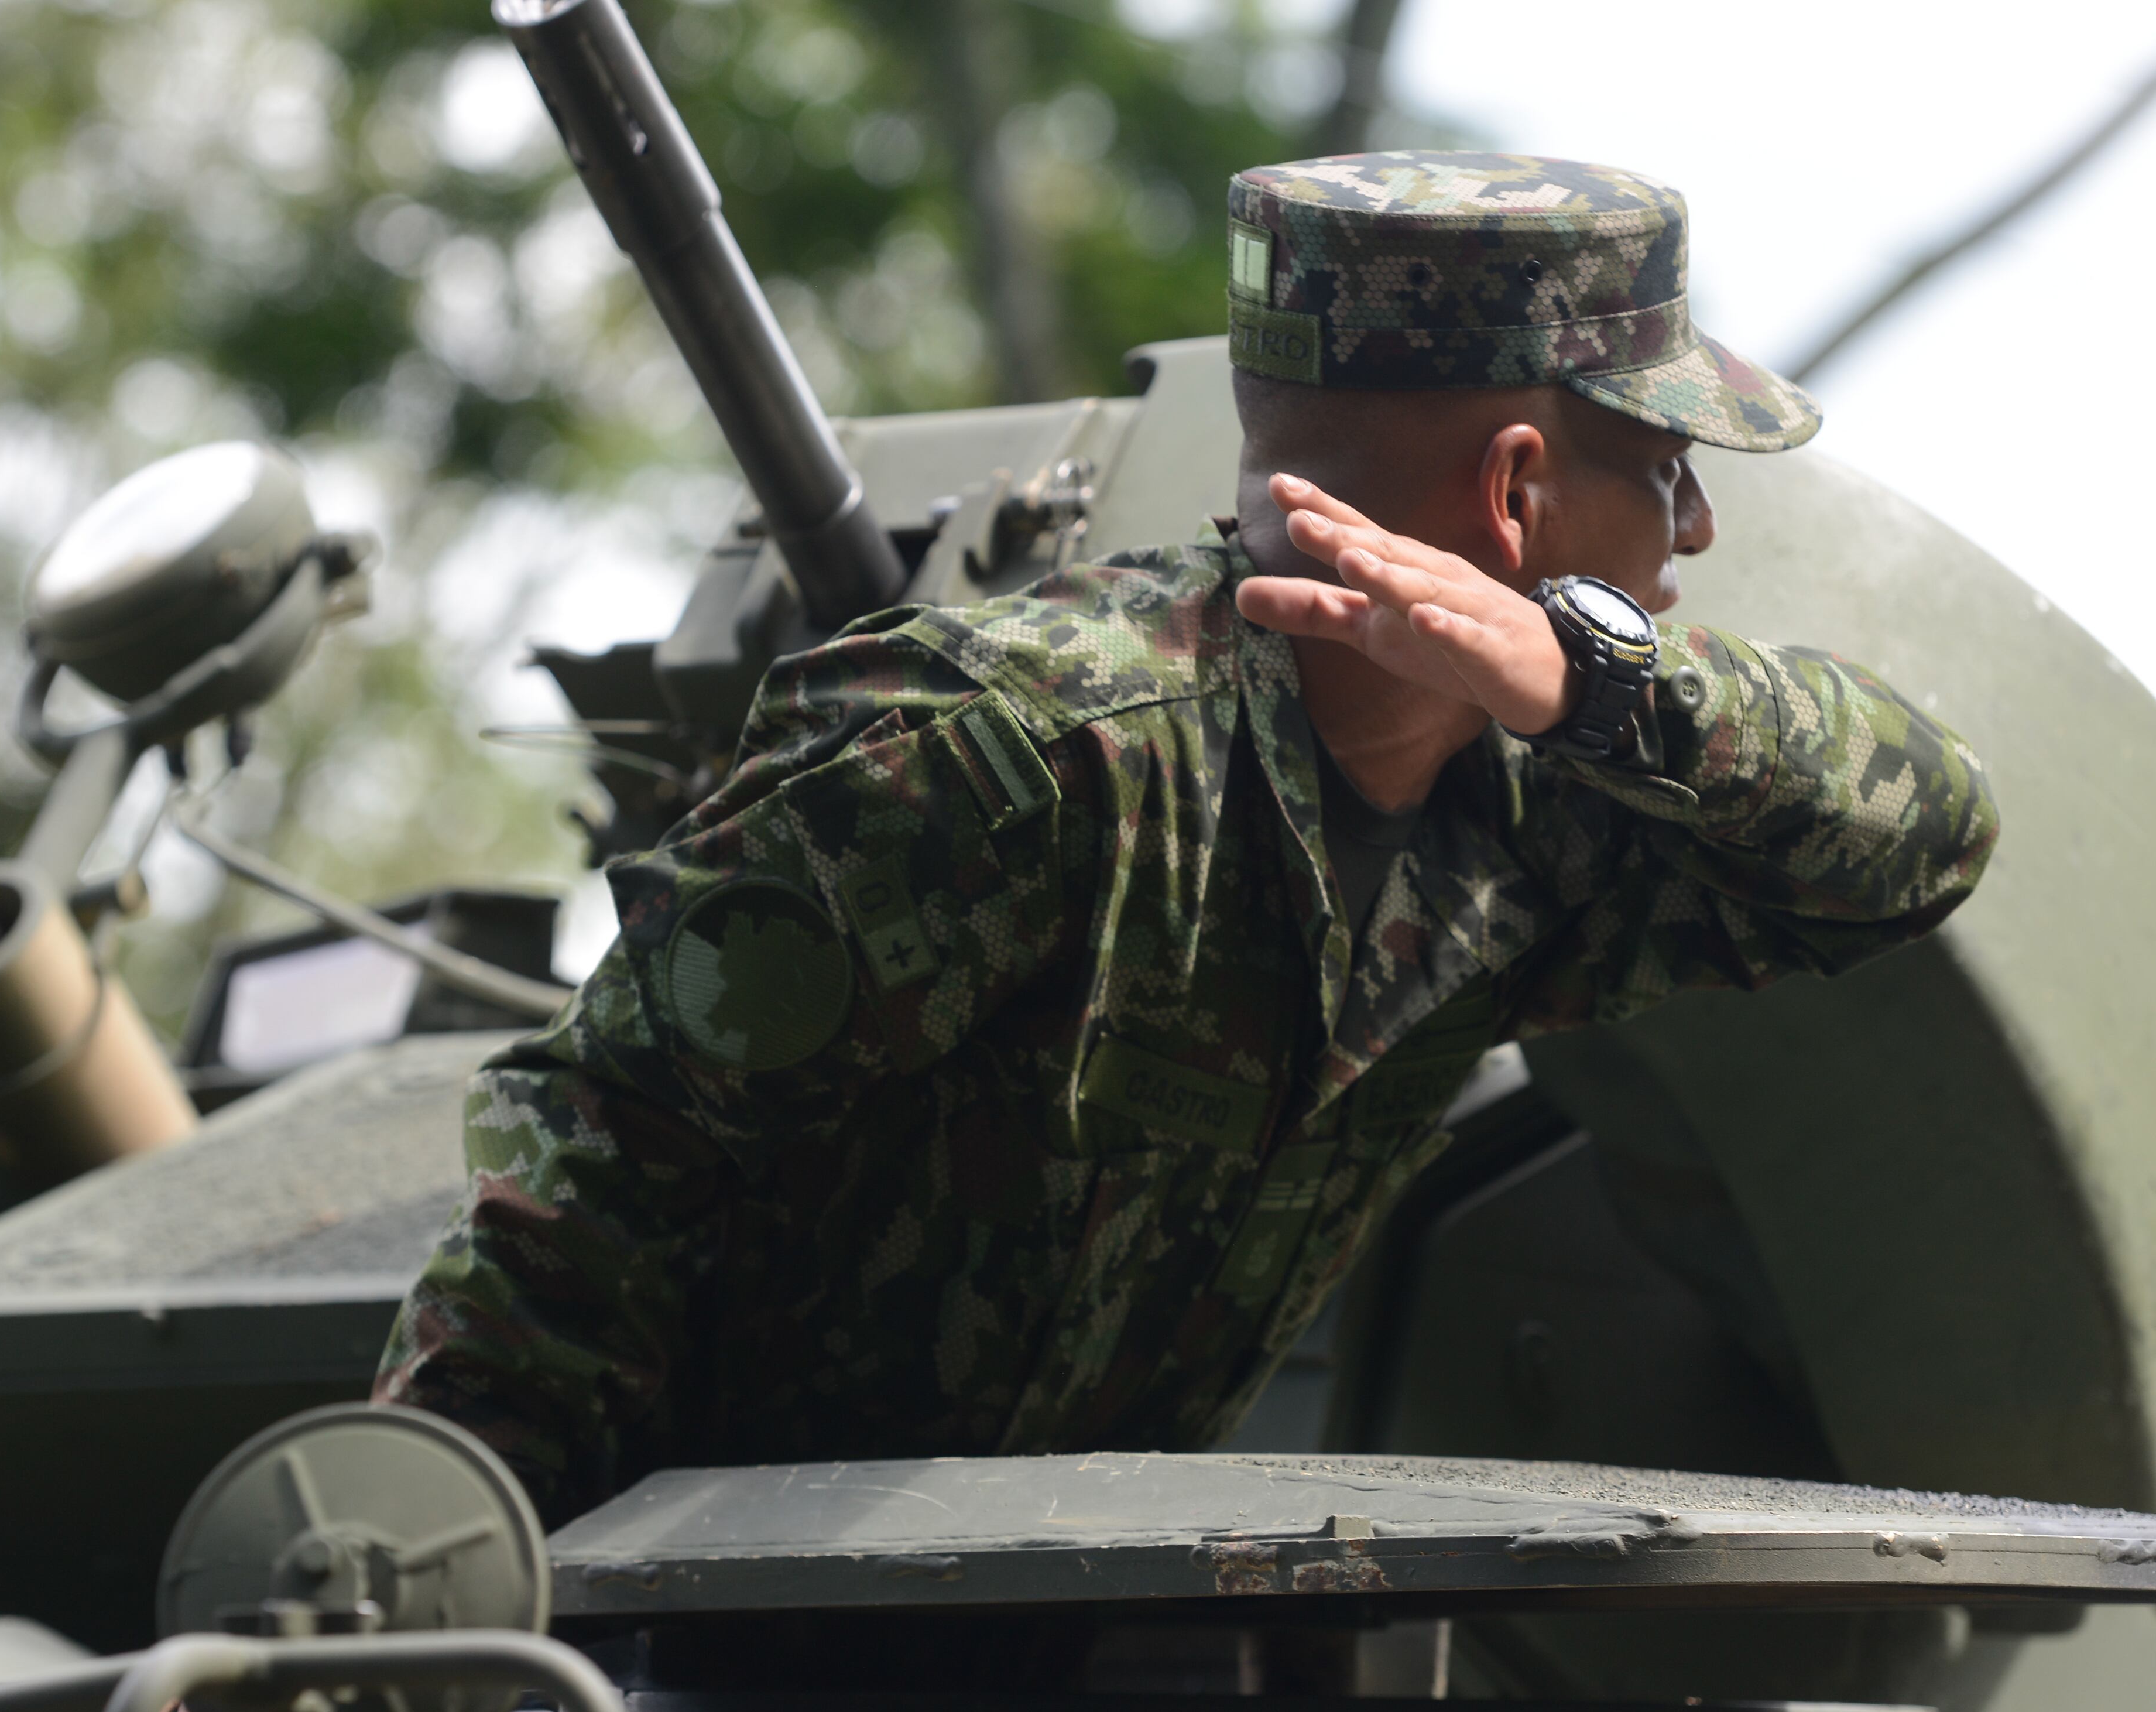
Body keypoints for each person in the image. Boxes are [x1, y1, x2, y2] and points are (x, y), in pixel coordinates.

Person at [372, 152, 1999, 1524]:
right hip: (699, 1636)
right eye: (1665, 467)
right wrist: (424, 1634)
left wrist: (1607, 685)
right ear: (1518, 493)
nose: (1694, 526)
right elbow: (594, 1166)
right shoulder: (1018, 756)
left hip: (1045, 1655)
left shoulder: (1534, 819)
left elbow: (1924, 841)